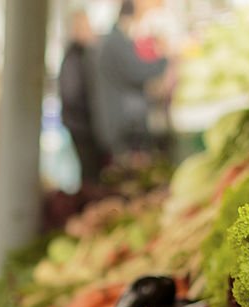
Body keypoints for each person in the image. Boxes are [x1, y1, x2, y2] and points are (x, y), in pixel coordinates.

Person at [89, 0, 170, 160]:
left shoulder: (116, 40)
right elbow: (137, 71)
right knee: (130, 167)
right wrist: (165, 58)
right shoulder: (116, 41)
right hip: (122, 123)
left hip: (122, 120)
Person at [58, 9, 109, 184]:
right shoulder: (75, 57)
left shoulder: (84, 54)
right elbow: (73, 94)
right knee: (90, 175)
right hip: (82, 127)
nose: (90, 31)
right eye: (86, 26)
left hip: (83, 125)